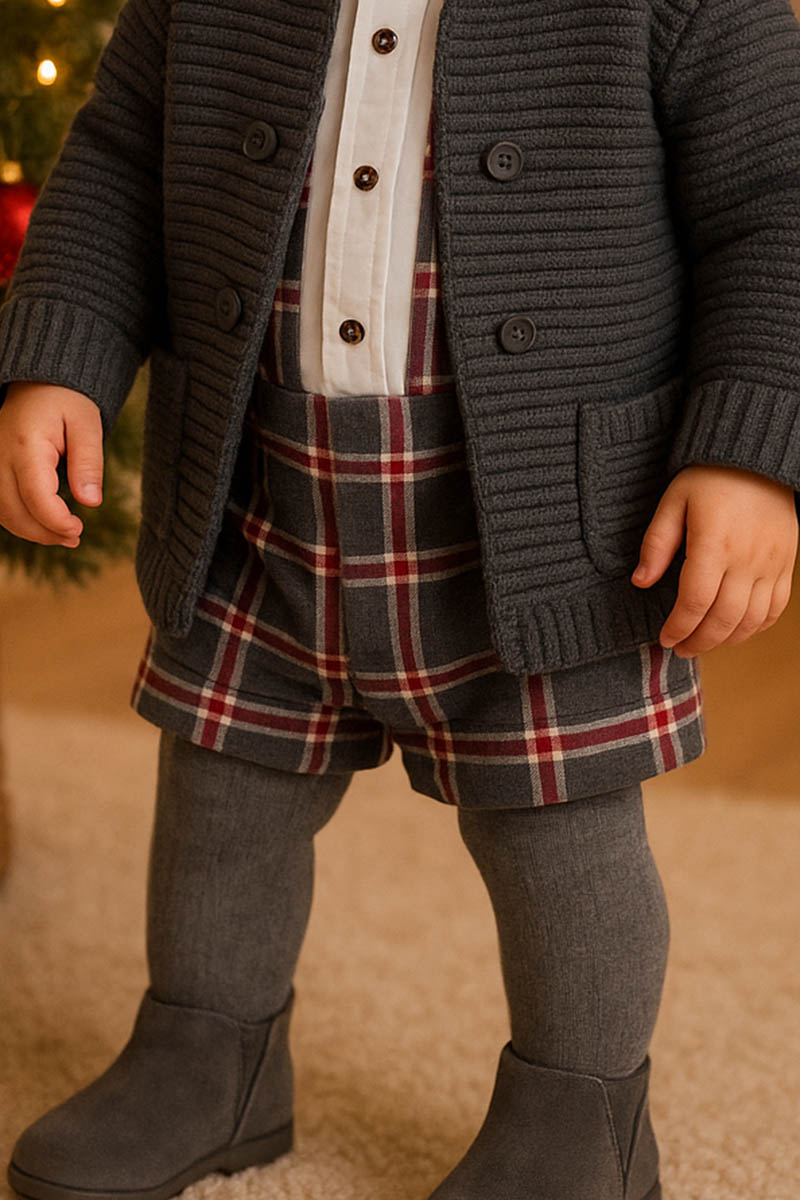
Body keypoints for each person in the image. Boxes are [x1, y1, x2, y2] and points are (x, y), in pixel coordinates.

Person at [1, 0, 799, 1197]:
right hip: (261, 502)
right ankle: (208, 1054)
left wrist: (747, 452)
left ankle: (578, 1117)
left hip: (537, 530)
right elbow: (121, 155)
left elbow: (775, 204)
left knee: (556, 840)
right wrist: (59, 357)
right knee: (222, 798)